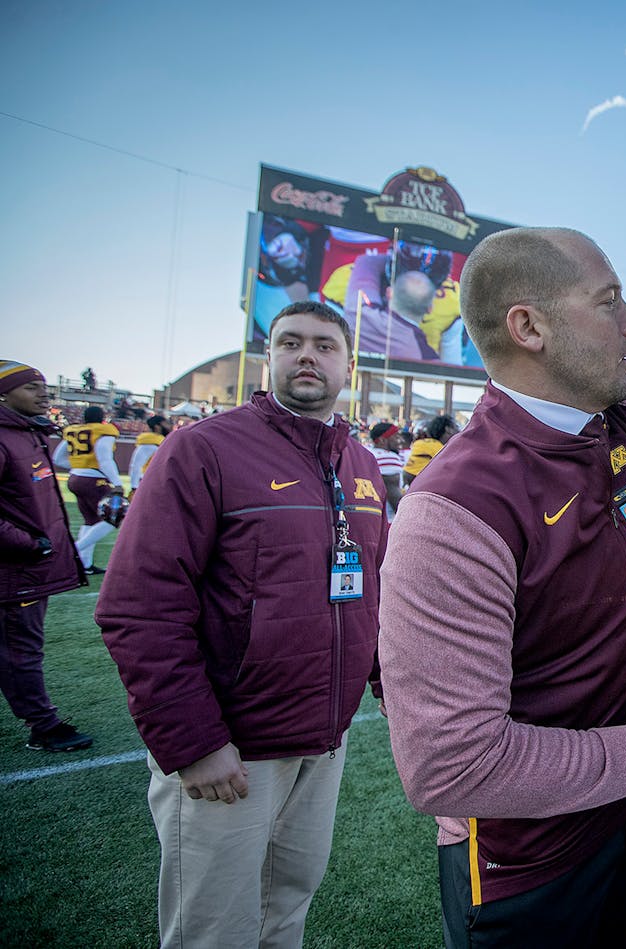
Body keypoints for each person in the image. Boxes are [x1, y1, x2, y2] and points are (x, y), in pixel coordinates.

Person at [377, 227, 626, 949]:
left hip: (620, 811)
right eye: (609, 301)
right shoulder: (457, 510)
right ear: (528, 326)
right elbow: (452, 765)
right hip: (523, 861)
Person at [95, 301, 388, 949]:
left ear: (349, 366)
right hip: (231, 749)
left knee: (286, 910)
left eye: (324, 345)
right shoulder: (203, 448)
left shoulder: (361, 464)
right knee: (214, 931)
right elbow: (139, 605)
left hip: (324, 742)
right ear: (269, 358)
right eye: (290, 342)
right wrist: (193, 739)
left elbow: (374, 582)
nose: (307, 355)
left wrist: (386, 677)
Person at [0, 361, 93, 752]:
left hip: (26, 565)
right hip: (15, 568)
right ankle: (43, 725)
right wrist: (28, 543)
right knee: (21, 648)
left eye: (42, 385)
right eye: (30, 387)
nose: (42, 393)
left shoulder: (28, 433)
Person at [53, 405, 123, 574]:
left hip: (75, 478)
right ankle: (74, 551)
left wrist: (80, 467)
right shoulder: (104, 431)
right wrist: (117, 482)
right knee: (115, 518)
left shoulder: (74, 430)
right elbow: (104, 458)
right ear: (103, 417)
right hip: (94, 480)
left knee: (90, 520)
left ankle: (85, 565)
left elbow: (57, 458)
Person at [402, 414, 458, 486]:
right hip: (418, 485)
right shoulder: (437, 447)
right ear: (448, 429)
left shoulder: (423, 443)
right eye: (456, 427)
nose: (459, 431)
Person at [366, 421, 405, 518]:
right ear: (382, 440)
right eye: (396, 437)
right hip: (388, 520)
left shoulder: (366, 453)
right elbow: (395, 499)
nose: (401, 440)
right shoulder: (388, 458)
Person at [128, 413, 172, 493]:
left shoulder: (160, 441)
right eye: (166, 424)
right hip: (149, 482)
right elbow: (136, 465)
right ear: (157, 427)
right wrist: (134, 487)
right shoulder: (150, 443)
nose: (169, 427)